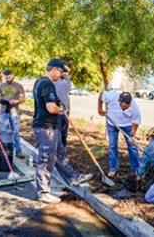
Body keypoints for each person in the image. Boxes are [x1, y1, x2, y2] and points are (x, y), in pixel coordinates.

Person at [32, 58, 93, 204]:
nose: (60, 75)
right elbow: (51, 108)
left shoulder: (39, 82)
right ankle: (43, 192)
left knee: (59, 154)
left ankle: (73, 178)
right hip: (46, 127)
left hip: (50, 126)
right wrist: (62, 109)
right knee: (46, 159)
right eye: (60, 72)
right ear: (54, 69)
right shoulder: (47, 83)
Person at [98, 91, 141, 177]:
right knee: (112, 145)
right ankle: (113, 168)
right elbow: (101, 95)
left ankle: (136, 168)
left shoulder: (135, 108)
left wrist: (132, 135)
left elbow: (135, 123)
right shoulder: (112, 96)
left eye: (128, 104)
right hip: (112, 123)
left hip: (127, 125)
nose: (126, 106)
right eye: (124, 105)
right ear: (119, 101)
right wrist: (99, 109)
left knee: (132, 146)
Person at [0, 69, 26, 159]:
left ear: (13, 75)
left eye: (9, 77)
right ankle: (2, 150)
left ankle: (18, 151)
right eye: (6, 78)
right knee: (3, 132)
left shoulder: (19, 86)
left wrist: (17, 101)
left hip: (14, 112)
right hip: (3, 112)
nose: (8, 79)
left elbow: (23, 99)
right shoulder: (1, 86)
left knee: (15, 132)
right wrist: (0, 100)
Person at [53, 60, 71, 147]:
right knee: (57, 136)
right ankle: (55, 156)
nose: (66, 74)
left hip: (65, 112)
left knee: (64, 135)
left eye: (68, 72)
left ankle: (62, 155)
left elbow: (67, 95)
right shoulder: (54, 80)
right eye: (65, 71)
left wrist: (68, 109)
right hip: (56, 112)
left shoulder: (67, 80)